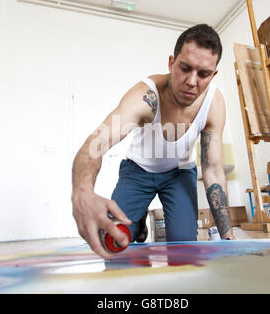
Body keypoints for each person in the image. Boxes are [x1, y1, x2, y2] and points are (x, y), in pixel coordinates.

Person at [71, 24, 235, 259]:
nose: (191, 81)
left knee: (184, 252)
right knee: (114, 243)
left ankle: (139, 222)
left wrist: (228, 236)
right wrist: (82, 192)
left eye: (203, 74)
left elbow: (213, 170)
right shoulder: (145, 97)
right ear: (171, 63)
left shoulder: (213, 103)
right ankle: (137, 224)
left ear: (213, 75)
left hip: (180, 173)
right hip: (137, 171)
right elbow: (97, 143)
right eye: (185, 68)